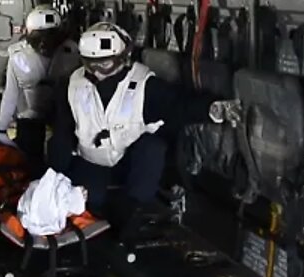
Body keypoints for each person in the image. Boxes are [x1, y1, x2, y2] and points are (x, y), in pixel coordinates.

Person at [47, 21, 209, 237]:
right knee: (88, 202)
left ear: (122, 58)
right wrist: (52, 179)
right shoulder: (73, 85)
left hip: (130, 167)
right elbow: (63, 132)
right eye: (91, 64)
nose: (98, 72)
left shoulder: (145, 85)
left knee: (152, 147)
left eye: (105, 65)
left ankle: (134, 209)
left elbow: (180, 106)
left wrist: (212, 109)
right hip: (93, 163)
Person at [0, 5, 80, 167]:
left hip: (62, 116)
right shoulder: (18, 56)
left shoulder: (72, 52)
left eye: (49, 38)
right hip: (30, 118)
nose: (43, 44)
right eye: (38, 38)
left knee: (61, 156)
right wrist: (1, 128)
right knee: (29, 160)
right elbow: (10, 95)